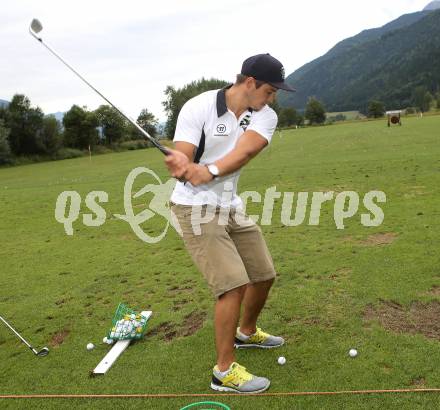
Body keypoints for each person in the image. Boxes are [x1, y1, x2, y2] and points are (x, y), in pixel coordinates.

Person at [164, 53, 295, 394]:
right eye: (269, 90)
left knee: (263, 274)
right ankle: (223, 371)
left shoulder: (264, 116)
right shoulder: (199, 107)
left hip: (229, 204)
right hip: (194, 208)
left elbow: (245, 152)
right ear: (249, 83)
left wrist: (208, 170)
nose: (273, 97)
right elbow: (184, 153)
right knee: (232, 285)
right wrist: (182, 162)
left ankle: (246, 332)